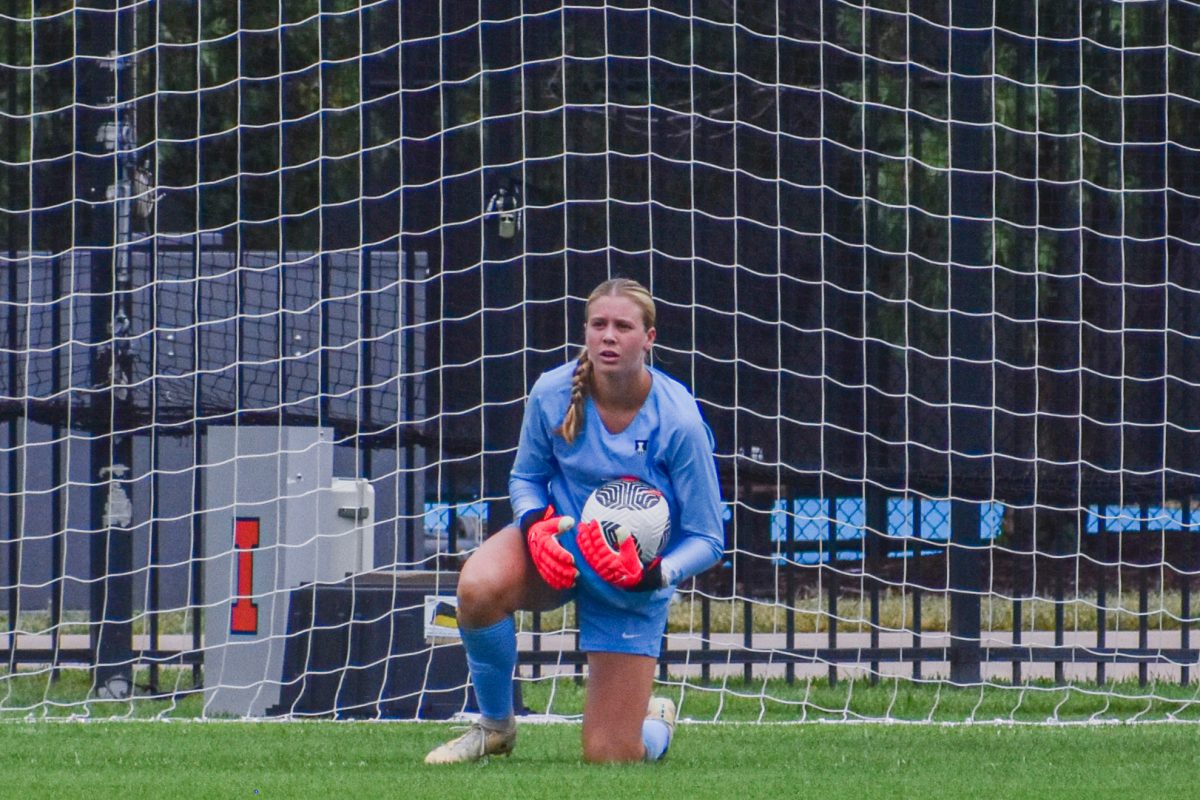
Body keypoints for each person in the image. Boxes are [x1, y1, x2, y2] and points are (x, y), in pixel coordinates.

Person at [424, 277, 724, 765]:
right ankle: (495, 725)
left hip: (631, 583)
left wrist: (657, 572)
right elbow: (524, 478)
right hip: (558, 551)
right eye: (598, 324)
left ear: (649, 338)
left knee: (611, 756)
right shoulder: (552, 392)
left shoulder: (680, 420)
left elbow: (709, 537)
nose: (609, 336)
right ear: (584, 331)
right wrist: (535, 525)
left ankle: (653, 723)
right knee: (476, 586)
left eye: (623, 326)